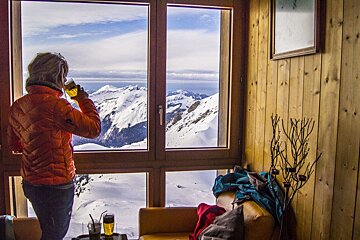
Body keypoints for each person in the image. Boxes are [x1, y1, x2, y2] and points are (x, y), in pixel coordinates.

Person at [7, 52, 101, 240]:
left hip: (31, 182)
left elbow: (15, 145)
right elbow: (93, 128)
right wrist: (82, 99)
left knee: (49, 231)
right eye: (63, 77)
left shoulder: (18, 106)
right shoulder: (58, 107)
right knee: (55, 234)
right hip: (57, 185)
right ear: (57, 77)